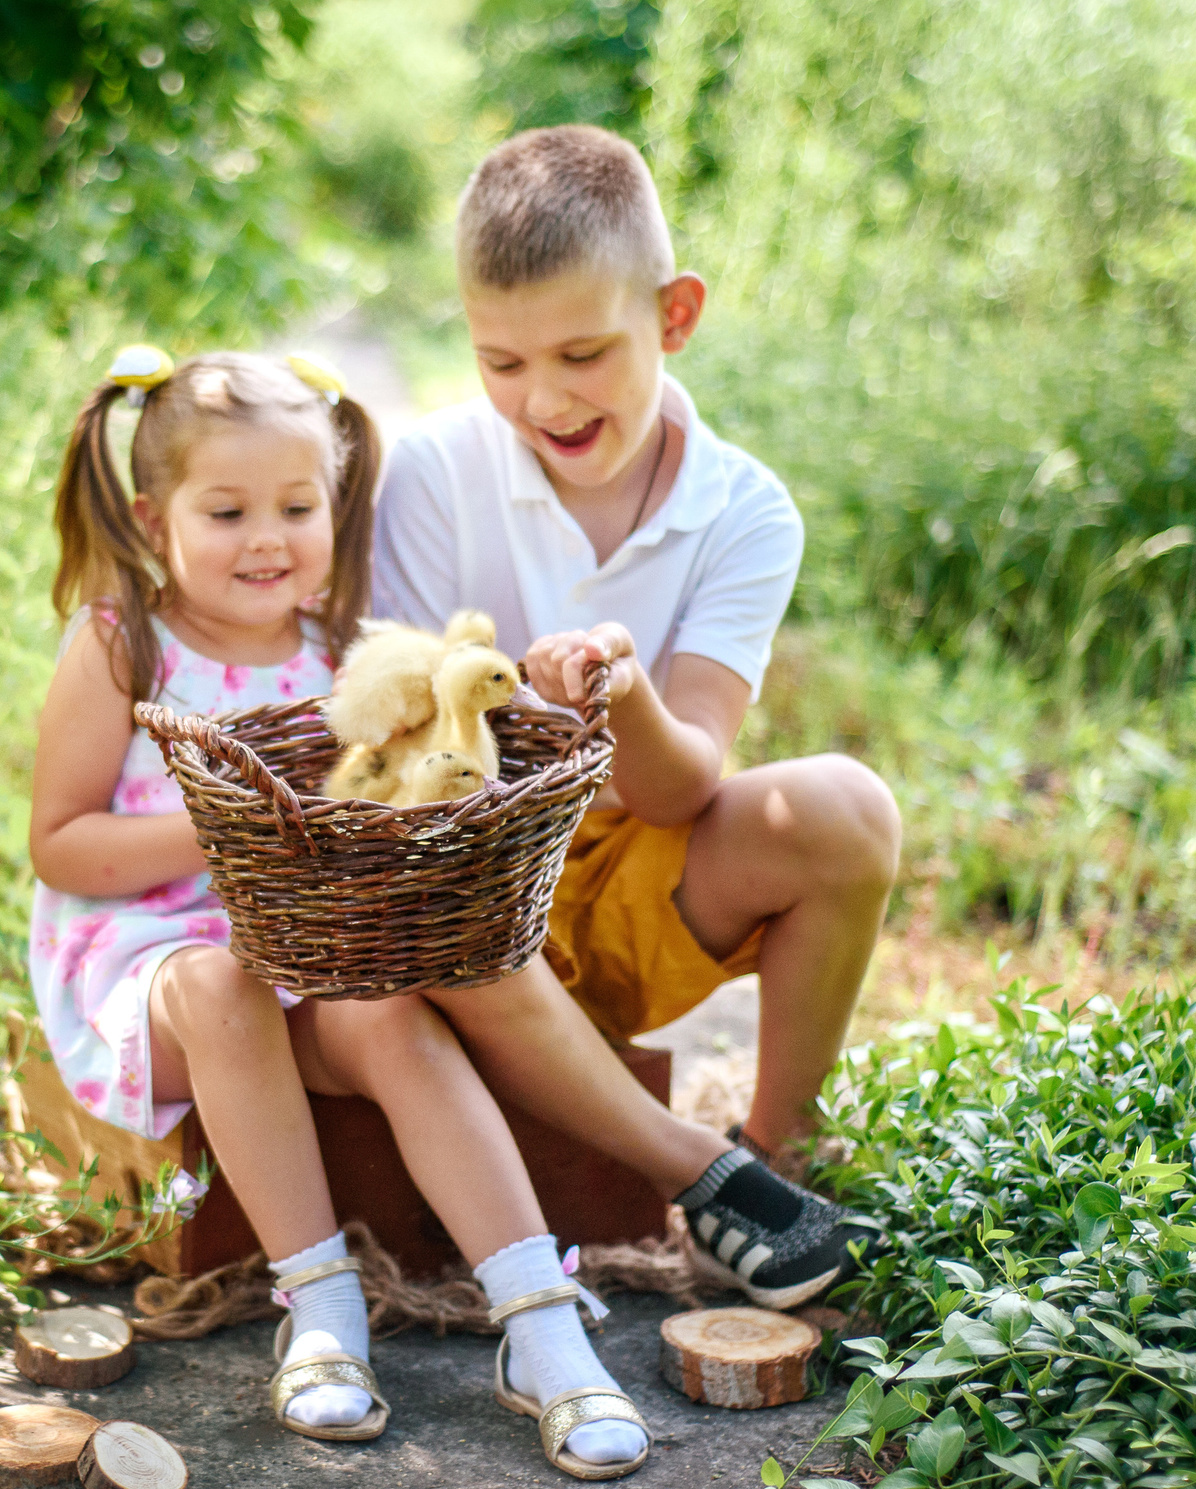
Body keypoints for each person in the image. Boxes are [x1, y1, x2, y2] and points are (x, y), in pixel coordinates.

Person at [28, 346, 653, 1478]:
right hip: (146, 957)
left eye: (296, 506)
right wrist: (232, 828)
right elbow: (59, 838)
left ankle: (537, 1318)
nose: (267, 538)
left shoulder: (342, 655)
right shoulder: (126, 642)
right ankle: (319, 1305)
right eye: (227, 510)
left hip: (302, 952)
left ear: (334, 506)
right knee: (222, 986)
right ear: (151, 511)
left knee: (389, 1014)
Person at [374, 126, 902, 1308]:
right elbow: (399, 758)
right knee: (416, 875)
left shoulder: (743, 510)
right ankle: (701, 1173)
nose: (542, 399)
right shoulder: (432, 472)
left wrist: (622, 694)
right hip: (463, 904)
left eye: (581, 352)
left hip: (628, 895)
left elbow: (685, 783)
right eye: (499, 362)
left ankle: (775, 1156)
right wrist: (511, 704)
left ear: (674, 315)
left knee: (844, 808)